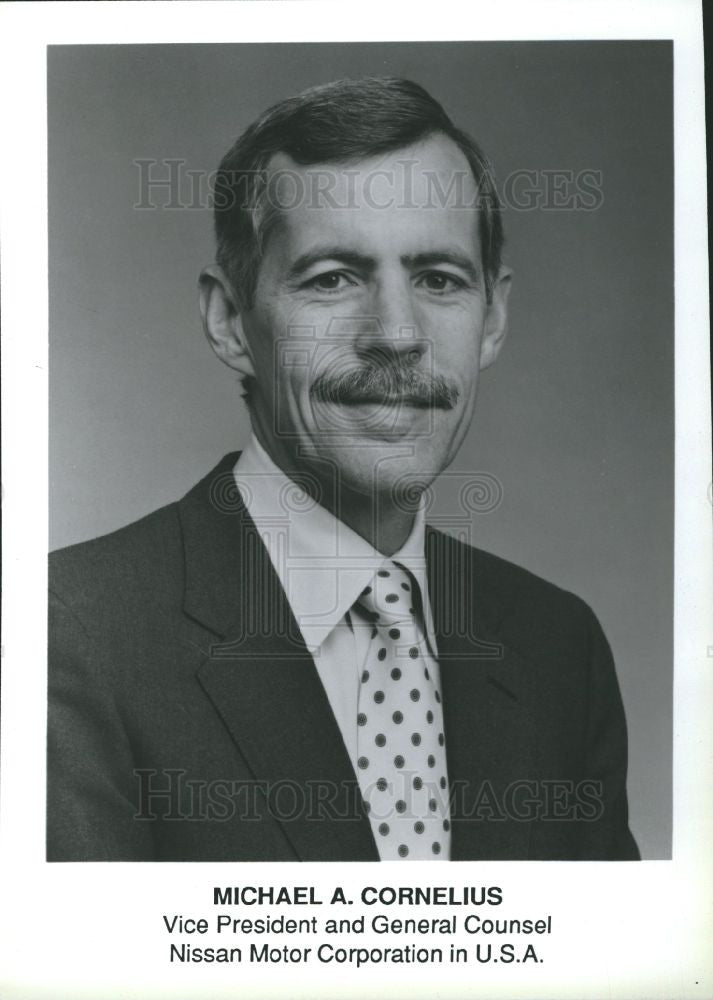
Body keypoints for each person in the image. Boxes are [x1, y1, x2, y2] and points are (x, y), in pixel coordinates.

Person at [47, 77, 639, 861]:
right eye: (332, 278)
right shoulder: (68, 634)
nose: (395, 335)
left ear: (491, 319)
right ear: (230, 322)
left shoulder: (557, 645)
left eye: (438, 279)